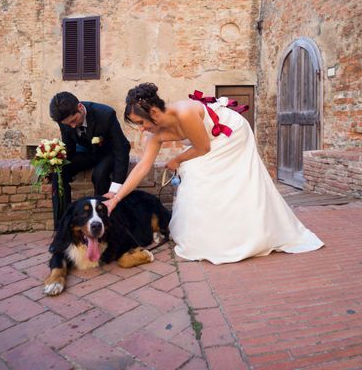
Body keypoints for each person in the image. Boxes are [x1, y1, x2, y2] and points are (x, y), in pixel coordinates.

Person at [103, 83, 324, 264]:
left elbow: (203, 149)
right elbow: (142, 167)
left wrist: (177, 159)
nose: (141, 129)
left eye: (141, 123)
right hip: (206, 141)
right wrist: (117, 197)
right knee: (196, 174)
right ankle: (215, 233)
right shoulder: (154, 134)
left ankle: (248, 232)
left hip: (231, 133)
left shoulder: (185, 113)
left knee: (199, 172)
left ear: (153, 112)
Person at [49, 91, 130, 229]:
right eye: (68, 124)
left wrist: (115, 189)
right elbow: (69, 148)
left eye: (74, 121)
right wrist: (53, 163)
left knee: (99, 175)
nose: (73, 126)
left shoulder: (106, 114)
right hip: (86, 152)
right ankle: (63, 225)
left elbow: (120, 150)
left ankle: (103, 222)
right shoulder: (64, 120)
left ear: (80, 107)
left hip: (108, 152)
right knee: (58, 173)